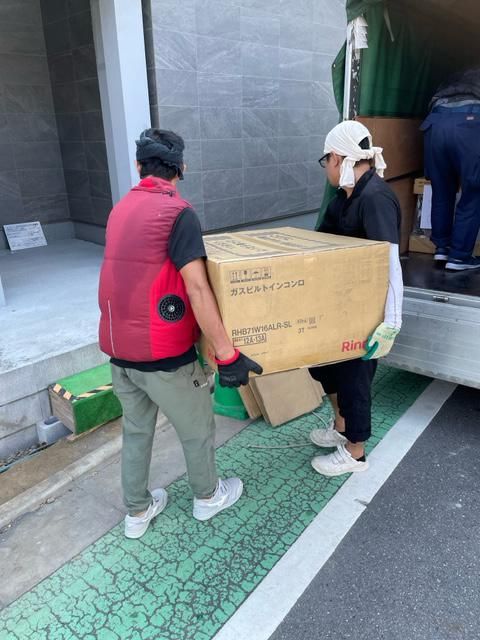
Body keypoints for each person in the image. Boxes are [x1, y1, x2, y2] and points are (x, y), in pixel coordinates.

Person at [98, 129, 262, 539]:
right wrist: (226, 353)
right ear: (181, 168)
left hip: (119, 352)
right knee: (196, 428)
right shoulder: (178, 213)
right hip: (164, 355)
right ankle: (208, 497)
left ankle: (137, 511)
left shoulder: (119, 210)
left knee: (136, 431)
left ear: (139, 166)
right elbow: (197, 288)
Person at [309, 120, 403, 477]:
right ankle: (341, 425)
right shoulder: (345, 197)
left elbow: (390, 262)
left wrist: (391, 321)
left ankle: (355, 452)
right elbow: (320, 242)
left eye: (326, 161)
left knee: (354, 377)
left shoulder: (375, 198)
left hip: (366, 310)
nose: (326, 169)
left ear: (336, 158)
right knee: (321, 365)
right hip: (338, 304)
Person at [420, 68, 480, 271]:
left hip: (435, 123)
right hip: (470, 123)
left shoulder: (454, 77)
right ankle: (460, 256)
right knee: (474, 191)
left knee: (441, 189)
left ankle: (442, 248)